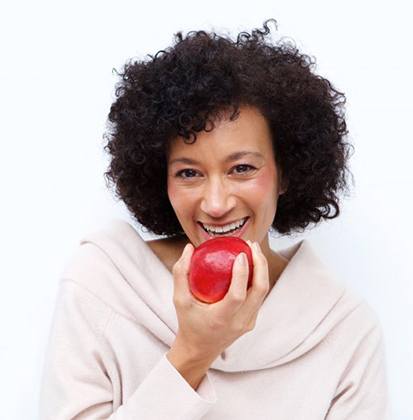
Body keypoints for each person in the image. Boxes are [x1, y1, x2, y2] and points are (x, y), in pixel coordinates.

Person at [39, 19, 390, 419]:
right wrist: (193, 352)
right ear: (161, 179)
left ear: (286, 172)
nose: (217, 203)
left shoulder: (343, 330)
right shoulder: (103, 283)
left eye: (241, 168)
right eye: (189, 173)